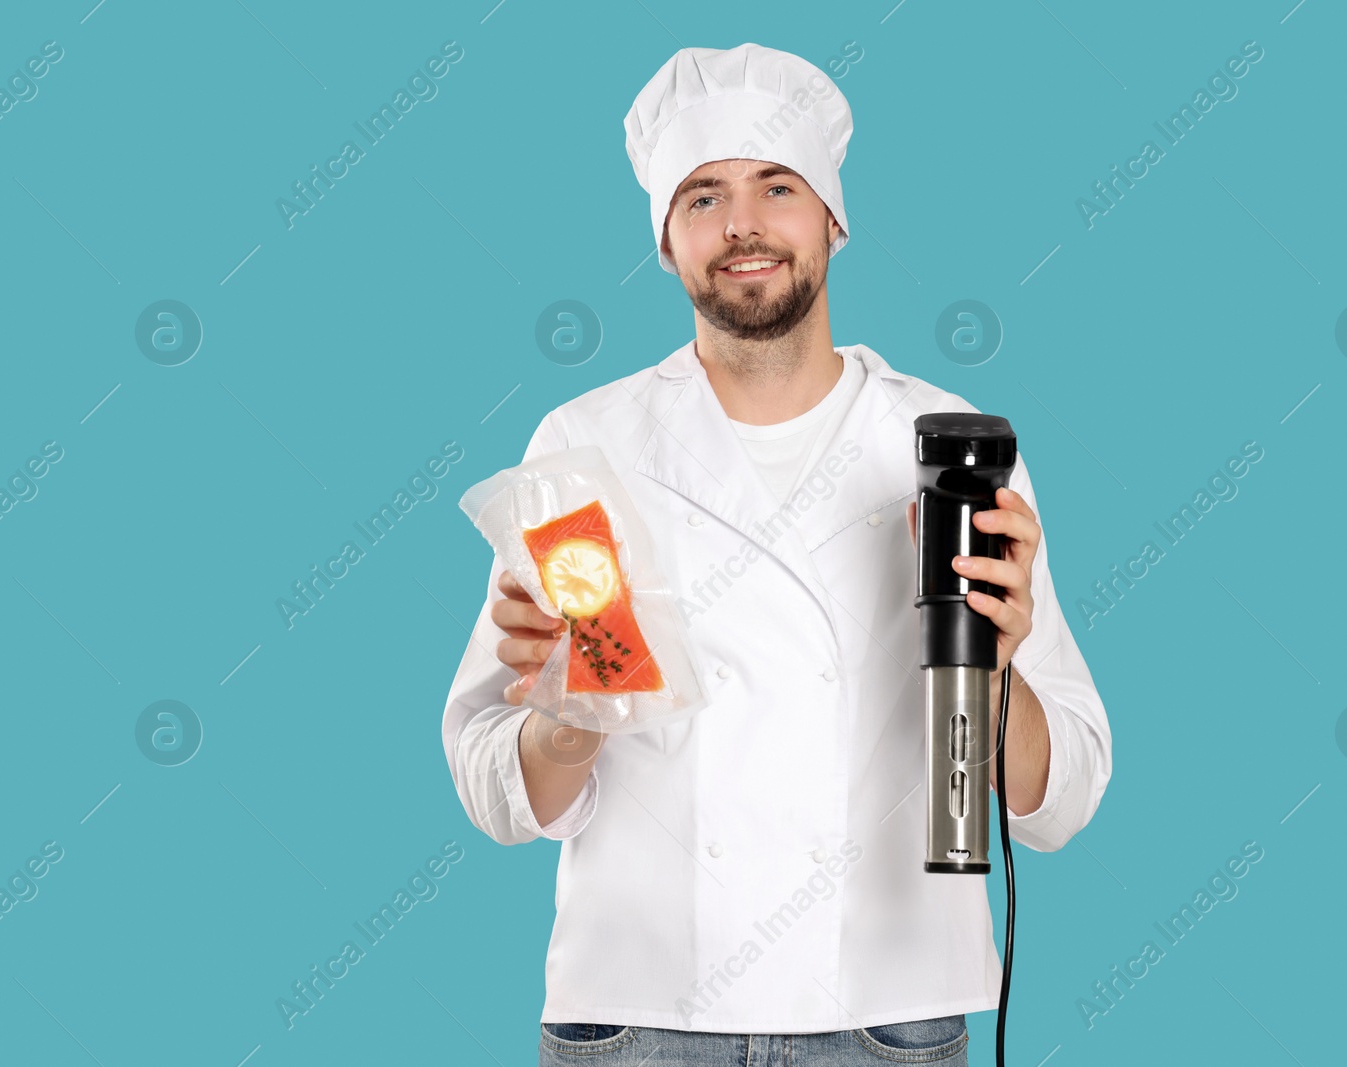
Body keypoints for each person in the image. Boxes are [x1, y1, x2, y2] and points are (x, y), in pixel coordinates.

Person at [440, 42, 1112, 1067]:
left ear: (834, 219)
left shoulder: (949, 447)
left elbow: (1058, 798)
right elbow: (497, 790)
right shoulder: (584, 445)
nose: (742, 223)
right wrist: (571, 710)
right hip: (633, 1020)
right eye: (702, 195)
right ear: (665, 242)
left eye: (776, 186)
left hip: (888, 1020)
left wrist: (999, 657)